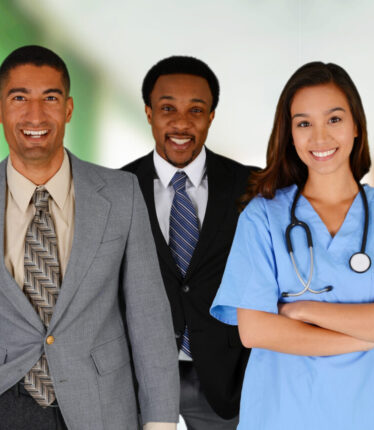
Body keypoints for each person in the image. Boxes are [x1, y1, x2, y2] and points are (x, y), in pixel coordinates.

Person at [209, 61, 374, 429]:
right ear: (290, 134)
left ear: (356, 125)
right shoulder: (262, 217)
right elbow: (256, 331)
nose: (320, 137)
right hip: (286, 413)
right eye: (304, 123)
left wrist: (305, 310)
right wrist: (371, 335)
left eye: (334, 119)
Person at [0, 46, 178, 429]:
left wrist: (161, 422)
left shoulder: (121, 194)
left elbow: (149, 318)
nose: (35, 114)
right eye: (19, 98)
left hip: (101, 407)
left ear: (68, 109)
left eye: (50, 98)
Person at [122, 56, 251, 430]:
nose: (181, 123)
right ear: (148, 113)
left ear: (211, 116)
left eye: (196, 110)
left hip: (226, 380)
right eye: (167, 109)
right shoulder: (115, 188)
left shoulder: (252, 187)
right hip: (139, 377)